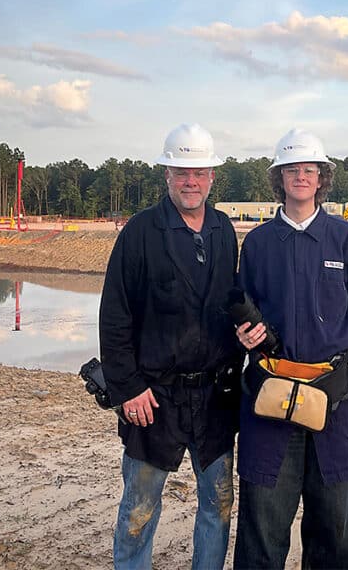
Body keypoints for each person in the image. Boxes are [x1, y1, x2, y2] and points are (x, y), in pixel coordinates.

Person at [232, 128, 348, 570]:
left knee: (334, 527)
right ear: (280, 178)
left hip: (331, 400)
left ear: (321, 178)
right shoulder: (258, 243)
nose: (300, 177)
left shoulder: (344, 239)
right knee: (262, 526)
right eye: (292, 170)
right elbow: (240, 312)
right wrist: (241, 336)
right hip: (269, 400)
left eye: (309, 170)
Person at [99, 123, 242, 570]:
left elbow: (229, 305)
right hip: (153, 396)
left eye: (199, 172)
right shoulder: (140, 233)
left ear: (212, 177)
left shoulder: (223, 231)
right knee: (139, 511)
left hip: (214, 398)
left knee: (217, 506)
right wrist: (127, 388)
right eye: (181, 172)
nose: (190, 182)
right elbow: (115, 317)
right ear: (167, 174)